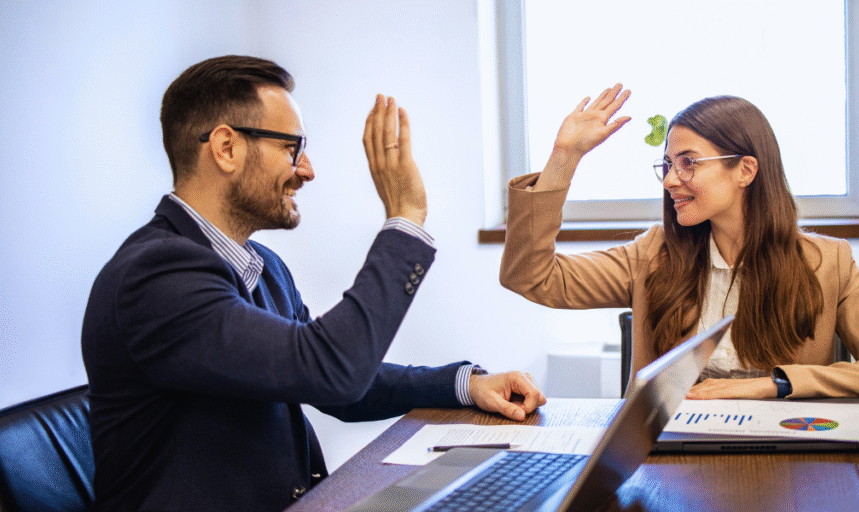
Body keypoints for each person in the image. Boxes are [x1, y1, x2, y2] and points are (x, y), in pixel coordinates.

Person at [81, 55, 545, 512]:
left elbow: (329, 382)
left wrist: (464, 385)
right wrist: (405, 220)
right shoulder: (156, 275)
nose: (307, 170)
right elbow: (330, 368)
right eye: (292, 148)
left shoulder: (263, 266)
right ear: (225, 148)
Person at [500, 84, 859, 409]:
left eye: (688, 162)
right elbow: (531, 277)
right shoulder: (652, 256)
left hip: (788, 465)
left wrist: (774, 383)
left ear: (745, 169)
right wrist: (563, 158)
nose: (670, 180)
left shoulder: (827, 263)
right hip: (671, 464)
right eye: (667, 165)